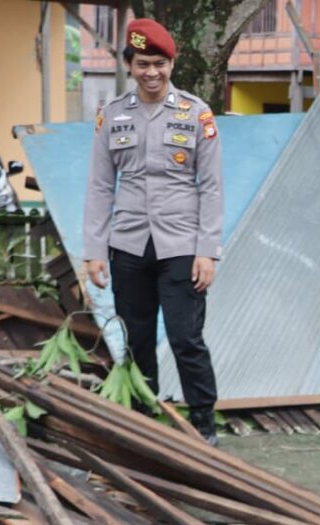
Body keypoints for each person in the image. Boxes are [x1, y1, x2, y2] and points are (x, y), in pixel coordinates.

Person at [82, 18, 223, 444]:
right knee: (136, 339)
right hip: (128, 244)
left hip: (181, 245)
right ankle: (145, 420)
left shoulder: (196, 113)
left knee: (186, 338)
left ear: (171, 65)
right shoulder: (112, 115)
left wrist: (208, 251)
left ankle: (203, 423)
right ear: (129, 65)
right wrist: (94, 250)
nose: (151, 73)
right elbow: (100, 185)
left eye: (160, 64)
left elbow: (211, 185)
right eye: (143, 64)